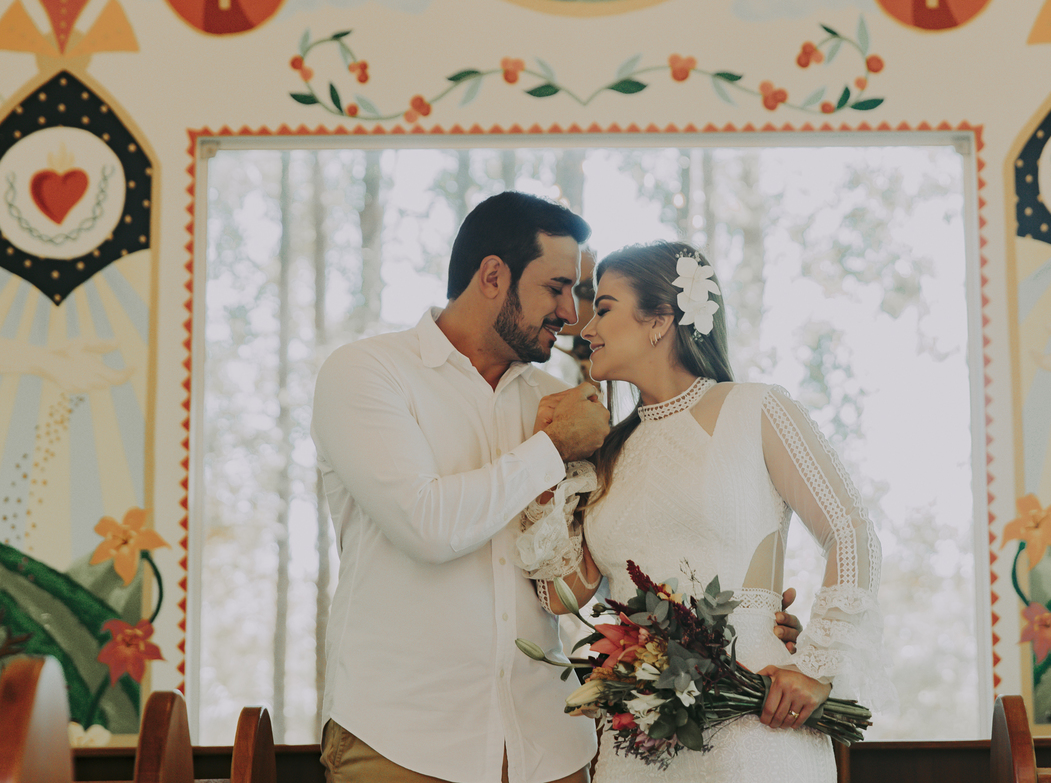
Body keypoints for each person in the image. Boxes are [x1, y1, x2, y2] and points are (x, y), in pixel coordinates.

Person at [310, 192, 807, 783]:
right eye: (557, 288)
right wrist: (548, 450)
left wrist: (735, 629)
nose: (571, 315)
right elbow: (427, 526)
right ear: (493, 275)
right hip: (404, 741)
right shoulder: (368, 373)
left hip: (547, 745)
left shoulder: (561, 398)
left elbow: (601, 568)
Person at [535, 241, 891, 781]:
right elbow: (562, 594)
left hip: (756, 721)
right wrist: (547, 466)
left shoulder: (757, 408)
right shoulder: (603, 454)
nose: (586, 329)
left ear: (661, 319)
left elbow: (853, 532)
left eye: (604, 308)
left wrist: (817, 668)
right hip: (639, 739)